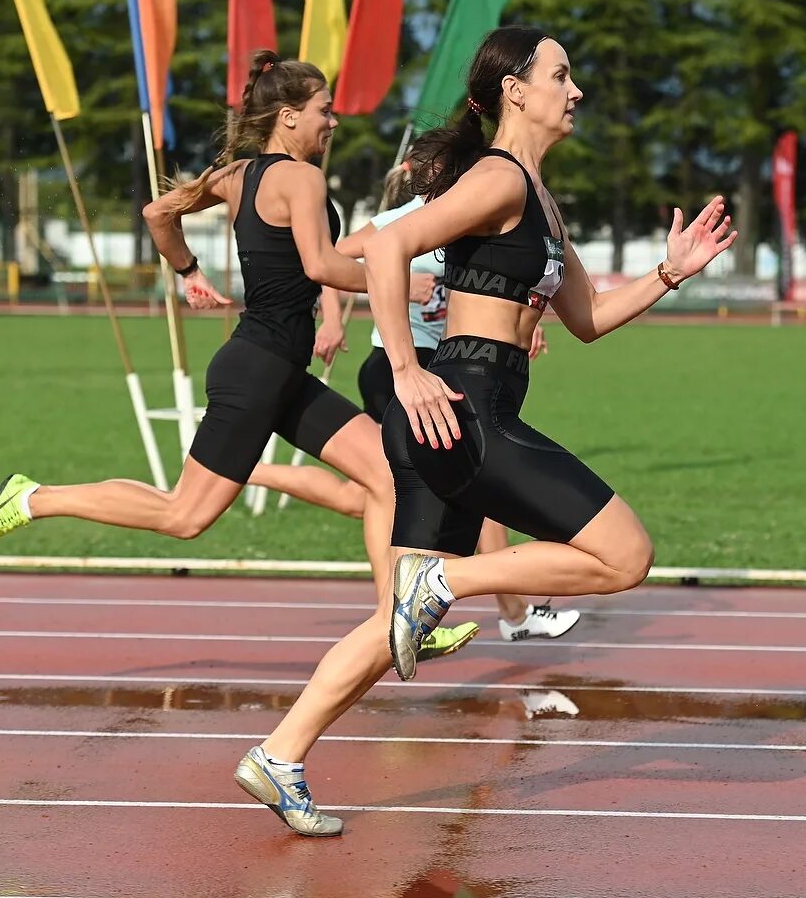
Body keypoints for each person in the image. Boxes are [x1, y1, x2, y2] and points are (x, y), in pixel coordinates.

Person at [231, 26, 736, 836]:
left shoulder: (536, 196)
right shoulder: (497, 178)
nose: (576, 92)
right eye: (561, 76)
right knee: (626, 555)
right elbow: (392, 244)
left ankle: (280, 754)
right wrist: (404, 368)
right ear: (516, 90)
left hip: (471, 408)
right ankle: (444, 586)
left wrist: (671, 272)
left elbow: (589, 319)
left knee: (396, 617)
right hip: (464, 407)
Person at [0, 49, 476, 659]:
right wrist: (393, 277)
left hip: (278, 368)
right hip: (258, 370)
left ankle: (399, 621)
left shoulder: (236, 175)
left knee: (388, 474)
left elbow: (158, 213)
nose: (332, 122)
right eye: (323, 111)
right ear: (288, 116)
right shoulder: (302, 178)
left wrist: (188, 270)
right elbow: (321, 265)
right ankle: (32, 497)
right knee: (184, 515)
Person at [246, 157, 581, 644]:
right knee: (471, 489)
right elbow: (326, 257)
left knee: (363, 496)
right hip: (398, 374)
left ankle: (244, 469)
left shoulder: (468, 218)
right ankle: (502, 613)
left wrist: (524, 323)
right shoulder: (401, 219)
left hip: (444, 368)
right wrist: (343, 317)